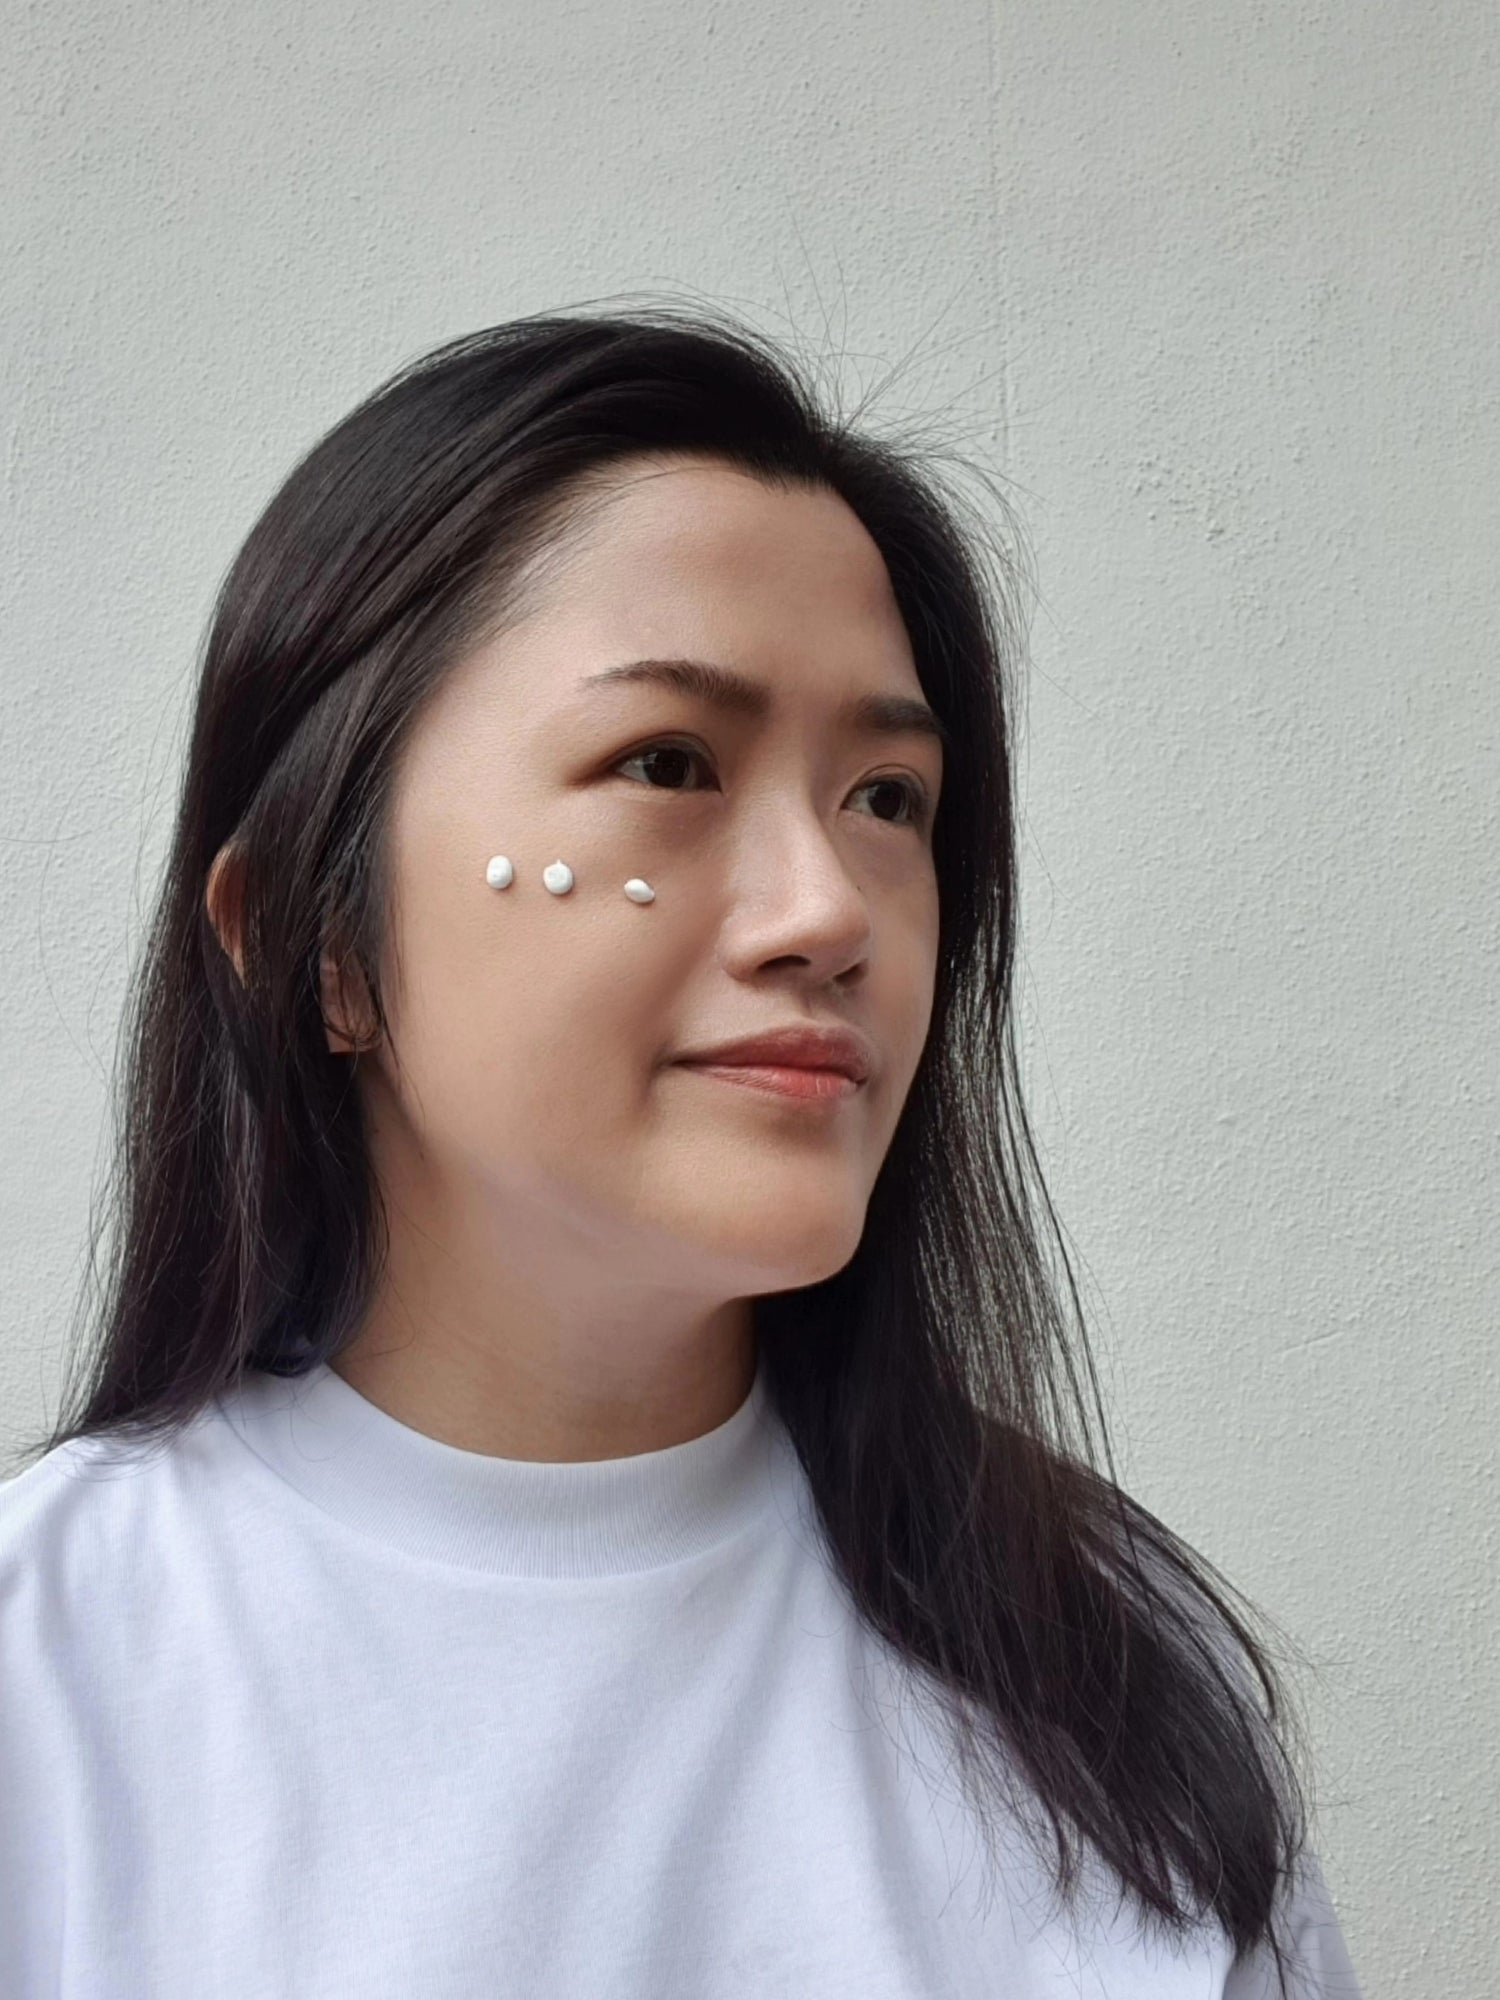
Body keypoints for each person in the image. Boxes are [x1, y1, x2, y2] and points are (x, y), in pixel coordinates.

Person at [0, 303, 1363, 1997]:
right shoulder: (48, 1684)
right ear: (309, 942)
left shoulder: (1113, 1676)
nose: (827, 913)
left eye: (889, 800)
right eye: (668, 764)